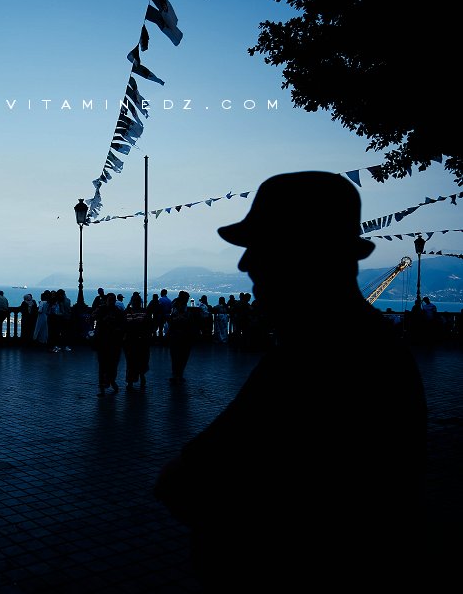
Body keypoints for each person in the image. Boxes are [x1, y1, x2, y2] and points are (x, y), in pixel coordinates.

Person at [153, 171, 428, 592]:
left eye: (261, 249)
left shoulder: (314, 359)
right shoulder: (370, 344)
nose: (245, 264)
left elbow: (182, 482)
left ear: (302, 255)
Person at [92, 292, 125, 396]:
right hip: (104, 342)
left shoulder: (117, 311)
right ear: (106, 300)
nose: (112, 302)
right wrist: (102, 319)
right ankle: (104, 385)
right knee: (103, 365)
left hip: (113, 342)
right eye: (110, 300)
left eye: (113, 300)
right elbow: (93, 316)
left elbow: (123, 325)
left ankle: (110, 381)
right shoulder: (102, 310)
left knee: (112, 364)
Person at [123, 292, 152, 391]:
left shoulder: (127, 312)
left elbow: (124, 325)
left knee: (131, 362)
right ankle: (141, 377)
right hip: (142, 341)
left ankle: (130, 381)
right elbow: (149, 326)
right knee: (141, 360)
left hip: (131, 340)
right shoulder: (145, 312)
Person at [167, 290, 195, 383]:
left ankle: (176, 374)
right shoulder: (181, 309)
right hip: (183, 335)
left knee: (175, 356)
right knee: (182, 356)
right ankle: (179, 375)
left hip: (175, 335)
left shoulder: (174, 306)